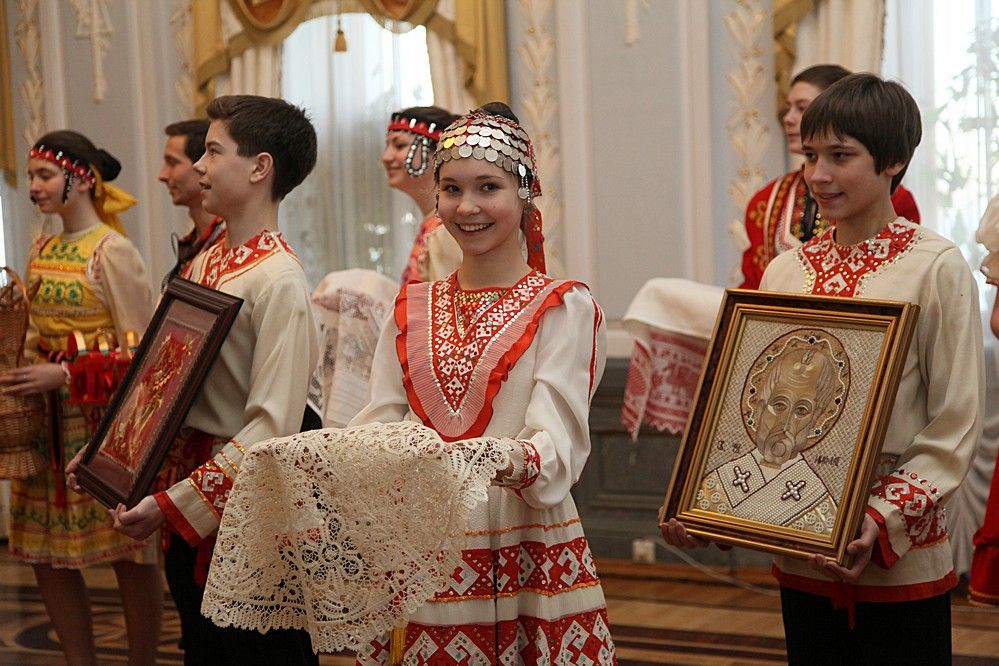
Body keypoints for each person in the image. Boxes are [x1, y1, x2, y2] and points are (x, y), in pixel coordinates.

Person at [663, 74, 983, 663]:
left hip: (895, 554)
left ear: (893, 160)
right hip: (798, 542)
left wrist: (879, 516)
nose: (818, 175)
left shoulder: (935, 267)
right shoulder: (787, 272)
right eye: (811, 156)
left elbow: (955, 422)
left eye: (841, 156)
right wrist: (706, 499)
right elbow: (752, 409)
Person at [342, 102, 615, 663]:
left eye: (488, 187)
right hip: (422, 546)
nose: (467, 207)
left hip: (524, 544)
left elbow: (555, 449)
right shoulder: (411, 307)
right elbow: (378, 422)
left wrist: (478, 462)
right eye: (451, 189)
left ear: (525, 194)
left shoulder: (563, 306)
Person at [71, 95, 321, 664]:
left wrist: (174, 503)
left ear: (260, 168)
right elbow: (164, 383)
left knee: (253, 654)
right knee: (201, 647)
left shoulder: (279, 280)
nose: (199, 167)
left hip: (244, 517)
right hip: (188, 498)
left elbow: (272, 429)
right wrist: (108, 451)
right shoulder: (207, 263)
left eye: (212, 151)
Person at [0, 130, 161, 666]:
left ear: (81, 178)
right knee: (47, 557)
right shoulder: (41, 247)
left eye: (45, 176)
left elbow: (142, 353)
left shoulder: (112, 251)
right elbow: (28, 335)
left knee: (127, 553)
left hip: (98, 423)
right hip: (41, 427)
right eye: (32, 178)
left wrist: (63, 375)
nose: (35, 188)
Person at [737, 64, 921, 289]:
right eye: (811, 155)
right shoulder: (766, 203)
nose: (788, 118)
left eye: (802, 108)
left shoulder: (931, 262)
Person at [384, 106, 462, 285]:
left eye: (399, 145)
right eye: (387, 146)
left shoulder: (446, 231)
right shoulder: (435, 226)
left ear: (437, 153)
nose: (386, 157)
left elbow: (444, 307)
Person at [158, 119, 225, 284]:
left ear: (201, 165)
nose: (162, 175)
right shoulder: (193, 242)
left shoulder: (227, 244)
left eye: (173, 163)